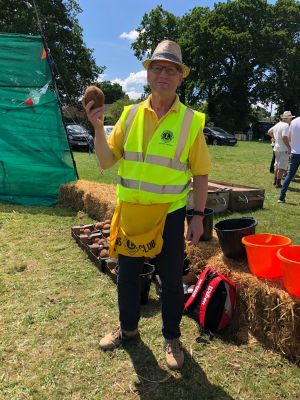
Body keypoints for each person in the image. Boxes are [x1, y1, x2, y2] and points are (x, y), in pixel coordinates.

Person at [83, 39, 212, 370]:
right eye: (157, 67)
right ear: (148, 74)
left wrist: (197, 216)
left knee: (170, 279)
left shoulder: (190, 121)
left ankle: (172, 337)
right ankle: (127, 331)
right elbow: (106, 161)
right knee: (128, 276)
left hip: (169, 214)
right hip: (132, 213)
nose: (163, 74)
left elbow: (200, 173)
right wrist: (98, 126)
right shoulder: (129, 115)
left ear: (180, 77)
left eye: (170, 69)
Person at [267, 111, 294, 188]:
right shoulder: (286, 125)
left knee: (276, 165)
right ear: (287, 118)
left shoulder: (277, 124)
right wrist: (289, 147)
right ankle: (278, 183)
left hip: (276, 147)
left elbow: (269, 131)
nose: (291, 120)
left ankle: (275, 181)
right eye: (290, 118)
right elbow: (284, 137)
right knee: (281, 167)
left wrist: (274, 138)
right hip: (283, 148)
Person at [278, 115, 300, 203]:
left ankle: (281, 197)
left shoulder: (294, 121)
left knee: (289, 175)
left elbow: (289, 137)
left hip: (294, 152)